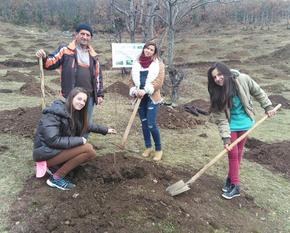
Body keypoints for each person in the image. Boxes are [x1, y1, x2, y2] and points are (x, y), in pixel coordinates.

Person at [207, 62, 277, 199]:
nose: (217, 79)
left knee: (238, 153)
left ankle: (234, 185)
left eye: (219, 75)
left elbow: (258, 92)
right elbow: (221, 119)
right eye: (214, 77)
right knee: (233, 154)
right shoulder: (216, 92)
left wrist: (268, 107)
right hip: (230, 125)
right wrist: (226, 138)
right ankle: (233, 181)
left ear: (226, 73)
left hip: (246, 123)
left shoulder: (243, 79)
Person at [33, 87, 116, 190]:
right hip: (44, 154)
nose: (82, 102)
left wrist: (105, 130)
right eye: (79, 99)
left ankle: (54, 169)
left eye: (84, 101)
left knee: (91, 152)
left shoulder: (73, 113)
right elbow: (52, 140)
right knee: (87, 148)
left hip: (54, 151)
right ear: (71, 98)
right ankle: (55, 179)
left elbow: (86, 126)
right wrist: (79, 140)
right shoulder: (53, 114)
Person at [35, 23, 103, 131]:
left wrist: (99, 94)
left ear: (90, 38)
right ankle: (69, 144)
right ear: (76, 35)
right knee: (69, 122)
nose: (85, 37)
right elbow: (49, 64)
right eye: (82, 34)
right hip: (71, 95)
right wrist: (43, 57)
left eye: (88, 35)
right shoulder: (65, 50)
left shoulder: (93, 56)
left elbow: (98, 76)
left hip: (89, 97)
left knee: (86, 123)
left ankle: (82, 143)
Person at [129, 41, 165, 161]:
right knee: (144, 124)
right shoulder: (136, 63)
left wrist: (145, 90)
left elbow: (159, 82)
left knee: (151, 123)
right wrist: (134, 90)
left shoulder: (159, 64)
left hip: (152, 97)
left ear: (154, 52)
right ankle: (148, 147)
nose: (148, 51)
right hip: (140, 98)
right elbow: (132, 81)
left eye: (151, 49)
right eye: (146, 48)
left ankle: (159, 149)